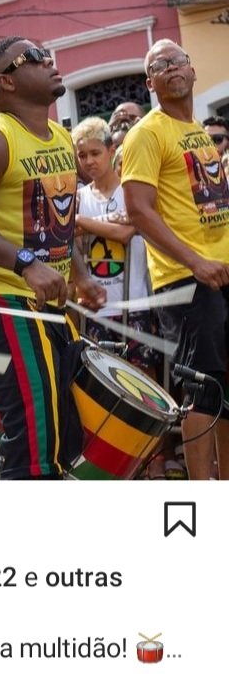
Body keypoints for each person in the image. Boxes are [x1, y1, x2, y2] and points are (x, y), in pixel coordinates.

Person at [0, 37, 105, 479]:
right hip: (0, 298)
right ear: (7, 82)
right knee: (35, 433)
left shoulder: (58, 137)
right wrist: (26, 264)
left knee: (62, 430)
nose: (49, 61)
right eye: (34, 58)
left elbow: (60, 220)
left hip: (43, 303)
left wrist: (79, 273)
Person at [122, 39, 229, 480]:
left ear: (192, 69)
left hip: (219, 272)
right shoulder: (147, 133)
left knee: (223, 390)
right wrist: (195, 261)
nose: (171, 68)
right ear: (151, 82)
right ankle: (202, 494)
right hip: (186, 279)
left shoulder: (199, 133)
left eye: (177, 60)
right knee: (202, 389)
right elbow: (138, 211)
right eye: (159, 65)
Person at [71, 117, 172, 478]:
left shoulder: (128, 190)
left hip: (135, 302)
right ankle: (111, 459)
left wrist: (83, 222)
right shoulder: (80, 196)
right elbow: (70, 234)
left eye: (95, 153)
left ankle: (154, 460)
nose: (89, 162)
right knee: (102, 385)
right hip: (96, 308)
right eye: (81, 156)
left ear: (112, 151)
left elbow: (128, 232)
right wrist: (86, 223)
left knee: (144, 382)